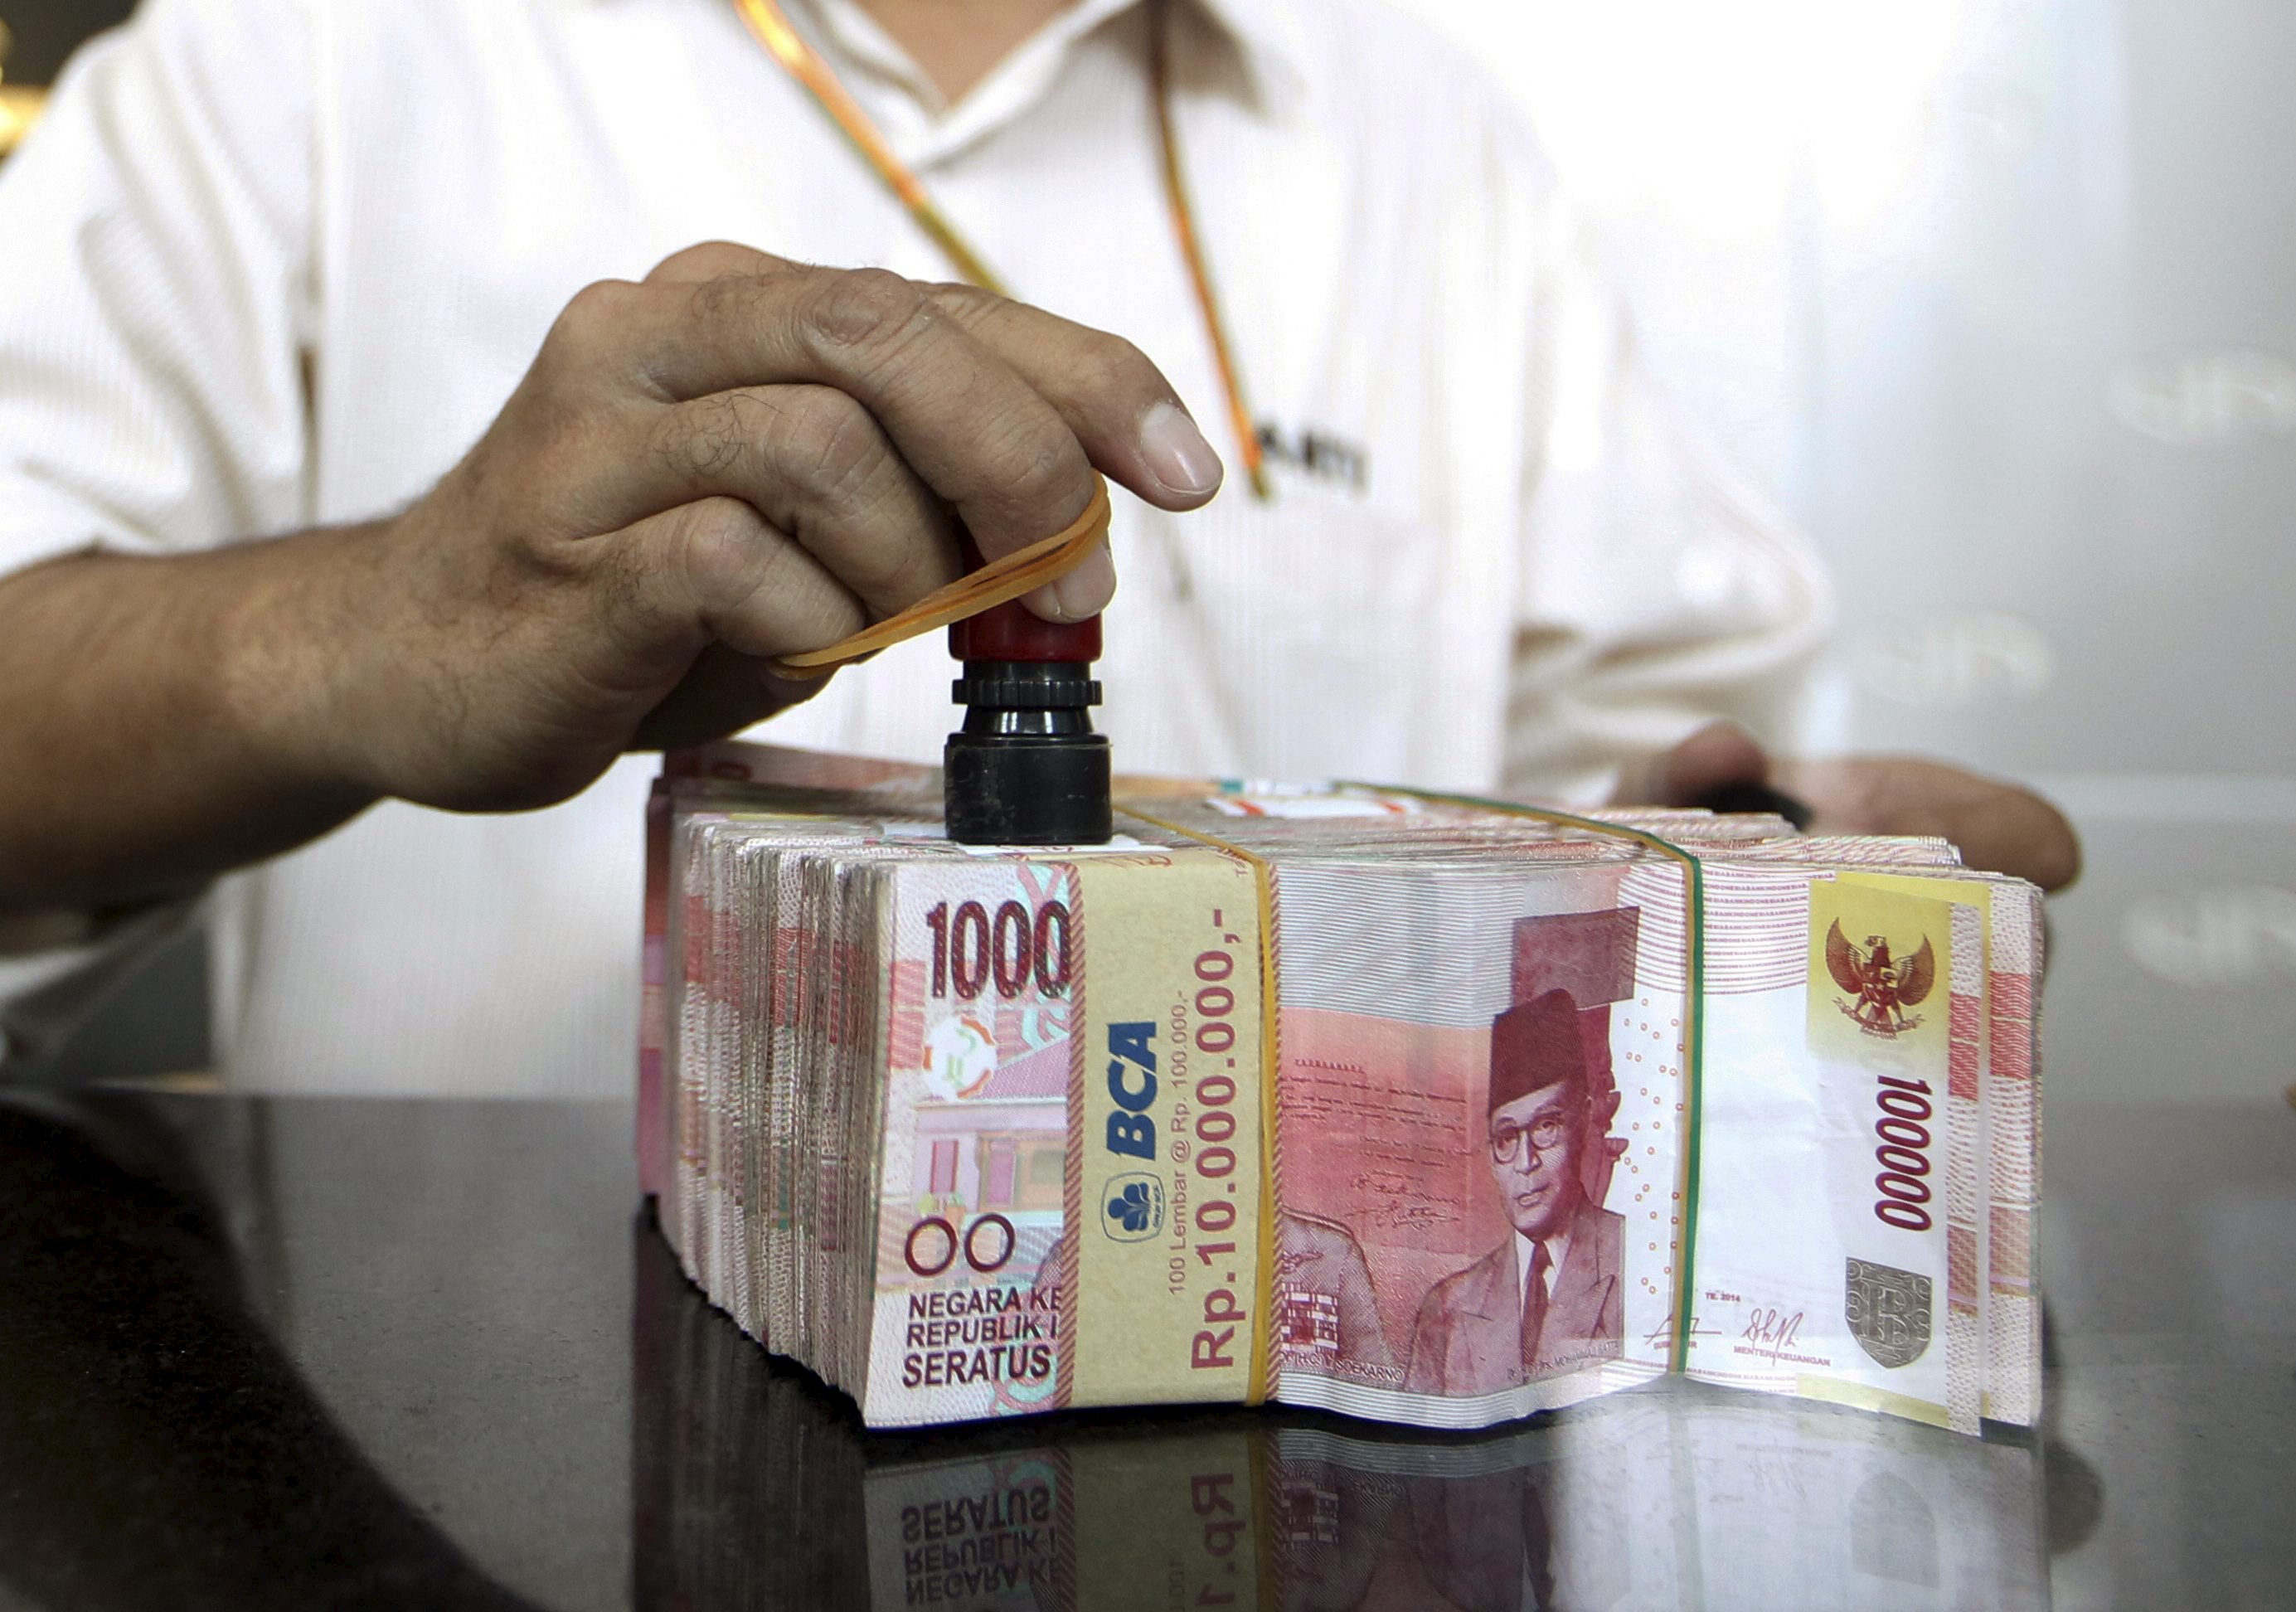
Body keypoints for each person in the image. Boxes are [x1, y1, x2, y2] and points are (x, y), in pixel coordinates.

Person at [0, 0, 2076, 1091]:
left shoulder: (1416, 126)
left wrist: (1708, 861)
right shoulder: (305, 48)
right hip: (464, 1447)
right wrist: (366, 629)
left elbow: (1588, 802)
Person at [1404, 989, 1623, 1396]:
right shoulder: (1448, 1308)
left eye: (1546, 1127)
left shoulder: (1636, 1257)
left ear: (1585, 1118)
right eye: (1507, 1137)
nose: (1526, 1161)